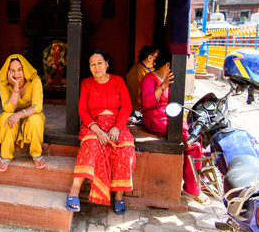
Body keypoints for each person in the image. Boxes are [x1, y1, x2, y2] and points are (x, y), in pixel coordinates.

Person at [67, 50, 136, 215]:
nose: (96, 66)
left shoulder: (118, 81)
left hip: (115, 124)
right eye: (93, 64)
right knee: (90, 145)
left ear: (107, 64)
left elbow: (126, 107)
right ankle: (74, 191)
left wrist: (117, 127)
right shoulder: (86, 83)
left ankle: (119, 196)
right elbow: (82, 110)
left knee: (125, 151)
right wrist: (97, 131)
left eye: (100, 63)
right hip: (93, 124)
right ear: (90, 68)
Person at [139, 48, 211, 205]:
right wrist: (163, 86)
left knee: (197, 134)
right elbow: (147, 104)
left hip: (171, 116)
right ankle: (192, 189)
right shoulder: (149, 79)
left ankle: (197, 175)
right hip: (155, 118)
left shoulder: (170, 77)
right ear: (167, 64)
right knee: (191, 143)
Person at [0, 54, 46, 172]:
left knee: (35, 119)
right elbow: (9, 109)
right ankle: (5, 155)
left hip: (31, 114)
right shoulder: (4, 83)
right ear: (8, 72)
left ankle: (36, 153)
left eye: (19, 70)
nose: (16, 74)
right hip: (12, 115)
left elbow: (37, 107)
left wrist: (19, 115)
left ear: (24, 69)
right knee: (6, 117)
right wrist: (15, 86)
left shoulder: (35, 81)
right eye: (12, 71)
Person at [126, 45, 159, 124]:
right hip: (138, 109)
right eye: (156, 57)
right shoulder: (137, 72)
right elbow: (140, 99)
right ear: (149, 58)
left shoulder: (149, 69)